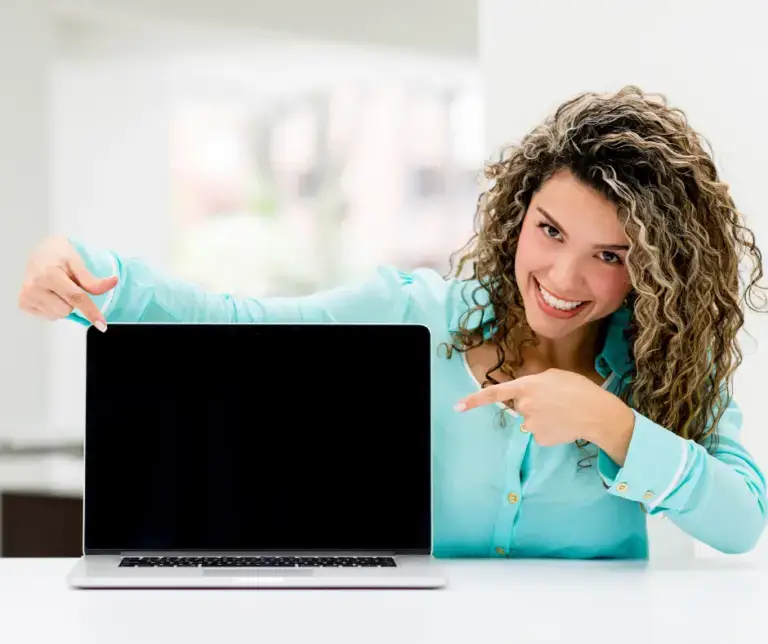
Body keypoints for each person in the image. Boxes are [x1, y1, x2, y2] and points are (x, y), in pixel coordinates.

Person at [18, 85, 768, 559]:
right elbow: (241, 321)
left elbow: (739, 526)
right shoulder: (413, 315)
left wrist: (612, 423)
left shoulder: (664, 361)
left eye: (610, 253)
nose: (565, 278)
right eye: (549, 231)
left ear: (656, 264)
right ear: (518, 216)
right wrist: (86, 268)